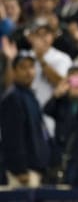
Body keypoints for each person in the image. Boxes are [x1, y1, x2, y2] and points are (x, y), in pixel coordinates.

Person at [0, 48, 50, 188]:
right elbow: (12, 137)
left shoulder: (30, 96)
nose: (29, 72)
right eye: (23, 67)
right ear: (14, 71)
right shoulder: (13, 98)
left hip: (34, 169)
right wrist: (19, 170)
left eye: (31, 67)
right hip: (23, 174)